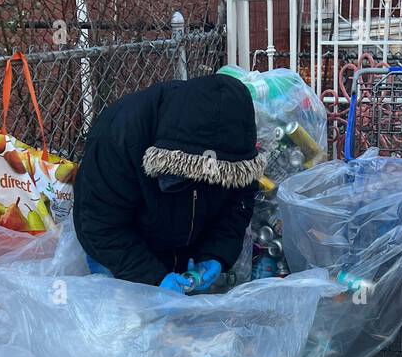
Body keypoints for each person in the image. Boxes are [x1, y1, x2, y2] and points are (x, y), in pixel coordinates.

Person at [72, 72, 264, 291]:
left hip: (188, 252)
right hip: (123, 252)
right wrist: (152, 279)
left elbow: (238, 204)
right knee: (126, 320)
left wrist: (216, 253)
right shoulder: (119, 134)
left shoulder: (237, 150)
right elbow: (100, 224)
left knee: (190, 320)